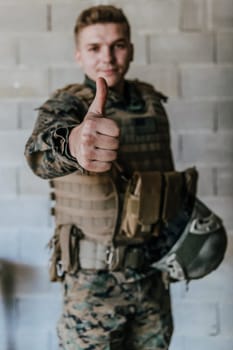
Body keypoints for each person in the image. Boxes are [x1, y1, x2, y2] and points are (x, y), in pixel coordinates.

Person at [25, 5, 179, 349]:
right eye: (95, 47)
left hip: (153, 280)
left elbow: (163, 182)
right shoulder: (67, 105)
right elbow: (38, 155)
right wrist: (73, 143)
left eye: (118, 45)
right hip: (93, 290)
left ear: (132, 49)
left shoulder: (152, 103)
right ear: (79, 55)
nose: (107, 57)